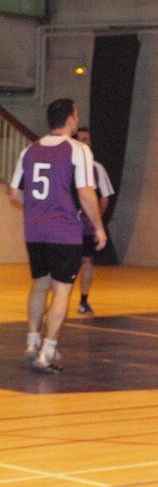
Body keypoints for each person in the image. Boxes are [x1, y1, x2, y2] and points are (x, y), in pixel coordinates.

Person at [9, 98, 107, 373]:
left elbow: (14, 193)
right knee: (62, 290)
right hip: (63, 230)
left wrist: (39, 207)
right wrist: (99, 227)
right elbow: (86, 193)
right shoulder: (78, 149)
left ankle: (32, 343)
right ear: (71, 118)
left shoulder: (29, 150)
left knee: (40, 284)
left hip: (35, 230)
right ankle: (47, 352)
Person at [73, 126, 115, 316]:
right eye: (82, 139)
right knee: (63, 263)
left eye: (88, 140)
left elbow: (105, 197)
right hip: (67, 224)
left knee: (87, 261)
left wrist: (96, 219)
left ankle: (84, 300)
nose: (86, 143)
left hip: (86, 227)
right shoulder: (67, 165)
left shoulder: (97, 168)